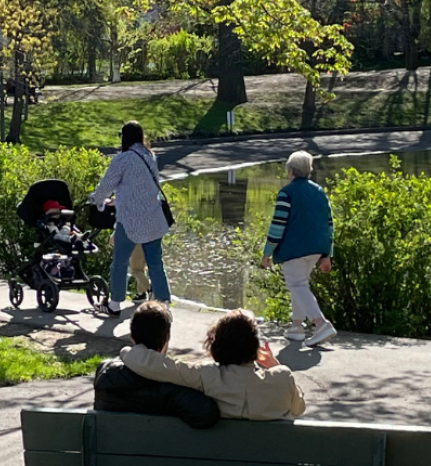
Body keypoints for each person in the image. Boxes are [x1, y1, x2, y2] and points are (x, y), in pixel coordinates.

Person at [119, 308, 306, 421]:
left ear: (216, 346)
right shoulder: (282, 379)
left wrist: (127, 351)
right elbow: (299, 408)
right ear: (255, 346)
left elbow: (151, 364)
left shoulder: (205, 375)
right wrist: (274, 365)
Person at [89, 121, 171, 317]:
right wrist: (119, 199)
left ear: (124, 137)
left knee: (119, 262)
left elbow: (106, 185)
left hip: (130, 221)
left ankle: (115, 304)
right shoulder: (149, 156)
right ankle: (164, 303)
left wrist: (96, 200)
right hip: (154, 218)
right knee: (155, 263)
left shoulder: (122, 159)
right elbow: (142, 188)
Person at [93, 301, 220, 428]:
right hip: (157, 446)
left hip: (109, 446)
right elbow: (207, 413)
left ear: (132, 337)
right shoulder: (171, 388)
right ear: (166, 339)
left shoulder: (105, 373)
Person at [262, 151, 337, 347]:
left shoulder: (287, 193)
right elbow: (330, 224)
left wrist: (267, 252)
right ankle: (296, 327)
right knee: (300, 284)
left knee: (297, 285)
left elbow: (278, 225)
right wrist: (328, 254)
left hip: (294, 248)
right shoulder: (320, 192)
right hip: (317, 247)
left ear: (291, 171)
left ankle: (321, 324)